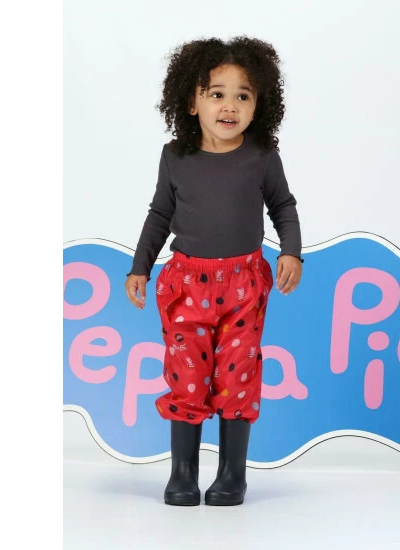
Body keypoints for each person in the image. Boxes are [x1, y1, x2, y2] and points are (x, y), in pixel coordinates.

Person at [125, 36, 304, 507]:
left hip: (244, 286)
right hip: (186, 286)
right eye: (216, 93)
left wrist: (291, 252)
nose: (230, 105)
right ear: (192, 102)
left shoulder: (261, 156)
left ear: (258, 105)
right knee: (187, 375)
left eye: (243, 95)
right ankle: (183, 472)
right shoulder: (175, 157)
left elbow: (283, 206)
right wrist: (140, 266)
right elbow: (159, 215)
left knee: (237, 374)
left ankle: (231, 475)